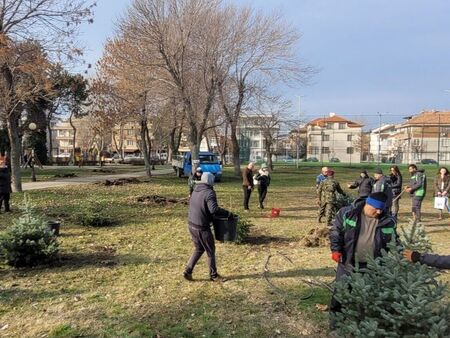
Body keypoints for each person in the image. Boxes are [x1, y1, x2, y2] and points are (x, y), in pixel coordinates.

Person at [329, 192, 397, 328]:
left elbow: (394, 241)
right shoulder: (348, 213)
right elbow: (336, 231)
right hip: (348, 261)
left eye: (381, 209)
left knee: (369, 296)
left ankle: (364, 324)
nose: (378, 212)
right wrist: (336, 249)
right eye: (375, 208)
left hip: (373, 265)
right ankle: (335, 323)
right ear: (367, 204)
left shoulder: (387, 221)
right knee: (340, 293)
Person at [184, 172, 229, 282]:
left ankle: (188, 271)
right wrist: (227, 214)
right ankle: (214, 276)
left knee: (199, 248)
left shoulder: (195, 189)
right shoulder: (209, 192)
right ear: (210, 181)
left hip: (191, 224)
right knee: (210, 250)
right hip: (201, 227)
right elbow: (214, 210)